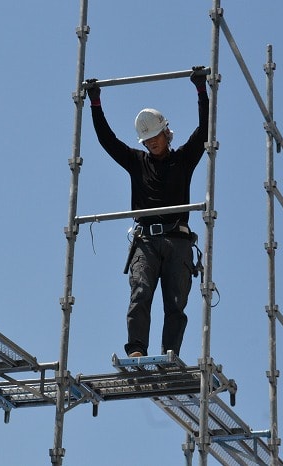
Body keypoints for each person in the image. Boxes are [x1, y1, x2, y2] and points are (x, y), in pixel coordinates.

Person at [85, 67, 209, 358]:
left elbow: (205, 131)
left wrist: (202, 91)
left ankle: (169, 352)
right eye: (148, 139)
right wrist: (95, 103)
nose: (152, 142)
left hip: (177, 242)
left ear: (167, 134)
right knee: (140, 294)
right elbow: (108, 140)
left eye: (156, 136)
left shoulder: (183, 160)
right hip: (146, 241)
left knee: (175, 302)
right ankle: (137, 349)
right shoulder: (136, 161)